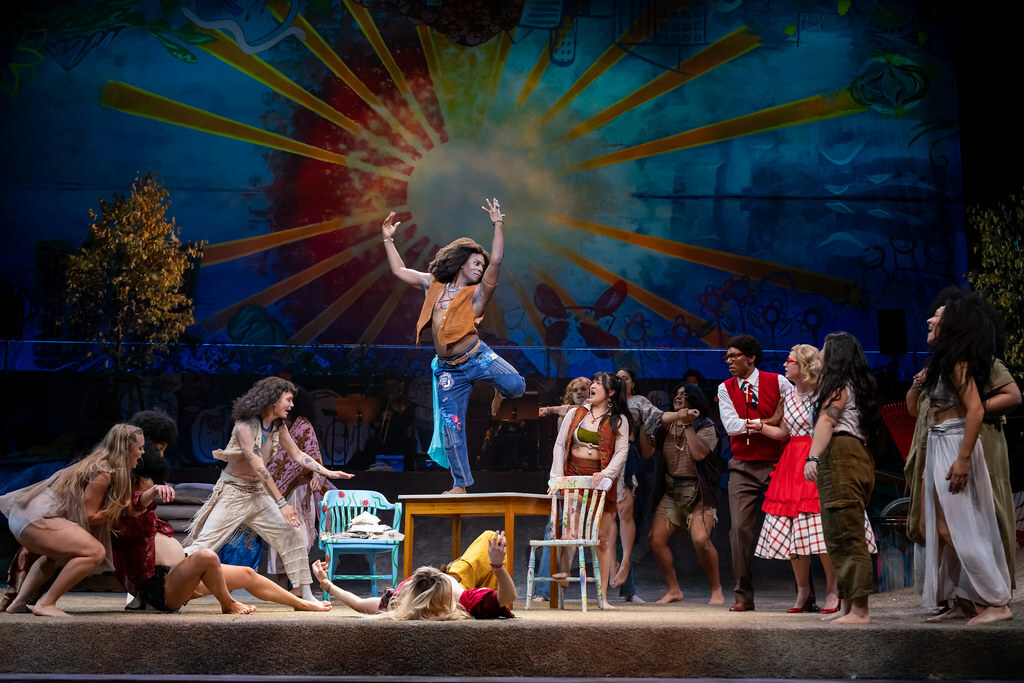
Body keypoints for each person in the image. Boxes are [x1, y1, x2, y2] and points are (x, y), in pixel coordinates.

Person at [381, 200, 526, 494]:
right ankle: (460, 484)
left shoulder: (478, 294)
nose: (481, 268)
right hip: (449, 370)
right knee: (451, 428)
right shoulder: (433, 285)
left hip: (477, 356)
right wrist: (387, 238)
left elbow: (496, 261)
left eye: (482, 265)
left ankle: (497, 389)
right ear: (461, 263)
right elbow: (400, 270)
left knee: (516, 387)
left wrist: (498, 223)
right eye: (476, 263)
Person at [183, 377, 352, 603]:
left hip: (258, 494)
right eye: (288, 400)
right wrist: (282, 503)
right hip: (234, 492)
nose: (292, 405)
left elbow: (298, 454)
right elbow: (258, 465)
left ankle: (307, 594)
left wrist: (327, 472)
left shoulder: (278, 426)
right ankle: (166, 582)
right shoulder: (244, 426)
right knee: (205, 542)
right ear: (273, 399)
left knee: (292, 533)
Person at [111, 457, 331, 614]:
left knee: (246, 574)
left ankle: (299, 603)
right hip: (162, 589)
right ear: (139, 482)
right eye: (154, 481)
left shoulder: (145, 510)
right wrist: (153, 491)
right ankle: (228, 603)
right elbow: (136, 503)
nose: (162, 484)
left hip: (179, 576)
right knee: (206, 555)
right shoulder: (128, 510)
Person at [753, 344, 876, 614]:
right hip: (791, 463)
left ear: (804, 365)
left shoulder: (823, 393)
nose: (785, 365)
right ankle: (804, 592)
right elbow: (784, 432)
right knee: (795, 531)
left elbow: (827, 425)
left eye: (790, 361)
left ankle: (833, 590)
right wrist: (761, 427)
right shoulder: (789, 395)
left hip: (815, 455)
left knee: (821, 529)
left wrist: (815, 456)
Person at [913, 294, 1013, 625]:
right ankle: (967, 600)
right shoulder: (942, 362)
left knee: (962, 529)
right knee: (942, 529)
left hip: (954, 442)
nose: (929, 320)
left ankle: (997, 602)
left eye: (937, 317)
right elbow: (917, 410)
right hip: (939, 443)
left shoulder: (958, 361)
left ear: (953, 325)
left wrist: (964, 458)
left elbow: (976, 409)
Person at [0, 423, 141, 616]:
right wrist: (119, 508)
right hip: (36, 518)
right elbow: (87, 516)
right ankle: (46, 603)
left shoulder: (97, 462)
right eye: (139, 448)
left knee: (52, 557)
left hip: (22, 517)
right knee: (94, 551)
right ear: (126, 450)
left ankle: (18, 603)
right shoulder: (103, 471)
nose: (141, 453)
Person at [804, 332, 883, 625]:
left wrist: (812, 456)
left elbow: (827, 420)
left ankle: (860, 610)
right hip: (853, 455)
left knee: (847, 534)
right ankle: (847, 605)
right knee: (838, 533)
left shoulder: (838, 387)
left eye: (824, 348)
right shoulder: (856, 385)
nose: (820, 351)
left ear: (834, 354)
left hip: (842, 455)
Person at [717, 334, 792, 611]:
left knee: (795, 524)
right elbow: (732, 426)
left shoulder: (779, 382)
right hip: (743, 465)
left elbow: (792, 418)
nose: (729, 361)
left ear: (751, 357)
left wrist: (767, 423)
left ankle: (804, 593)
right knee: (739, 529)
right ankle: (743, 596)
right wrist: (768, 421)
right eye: (727, 357)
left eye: (734, 356)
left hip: (778, 462)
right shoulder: (725, 389)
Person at [548, 371, 631, 609]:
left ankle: (602, 598)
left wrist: (606, 475)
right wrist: (556, 477)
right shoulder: (575, 413)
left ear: (611, 392)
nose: (592, 386)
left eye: (598, 384)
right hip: (574, 476)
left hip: (601, 482)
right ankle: (564, 571)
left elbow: (621, 451)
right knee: (569, 533)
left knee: (602, 540)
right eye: (592, 382)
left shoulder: (619, 419)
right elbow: (560, 445)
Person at [313, 530, 515, 619]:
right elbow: (508, 597)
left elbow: (357, 603)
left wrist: (326, 584)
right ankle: (487, 580)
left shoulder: (399, 602)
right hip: (460, 577)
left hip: (445, 587)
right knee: (491, 537)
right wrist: (497, 566)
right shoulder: (463, 600)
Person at [645, 382, 724, 605]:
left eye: (685, 395)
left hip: (699, 492)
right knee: (655, 539)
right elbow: (646, 451)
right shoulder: (665, 428)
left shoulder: (705, 426)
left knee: (701, 540)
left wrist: (688, 425)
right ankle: (674, 590)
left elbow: (699, 454)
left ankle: (716, 590)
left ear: (695, 400)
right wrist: (641, 427)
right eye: (676, 394)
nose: (679, 397)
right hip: (672, 491)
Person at [264, 386, 333, 585]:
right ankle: (281, 584)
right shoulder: (272, 425)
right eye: (287, 399)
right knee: (278, 538)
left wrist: (316, 474)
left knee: (299, 536)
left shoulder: (304, 425)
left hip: (300, 489)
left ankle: (298, 586)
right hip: (275, 491)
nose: (290, 404)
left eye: (292, 400)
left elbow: (311, 454)